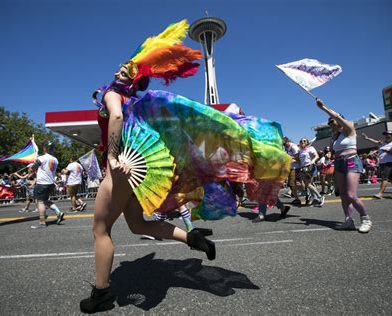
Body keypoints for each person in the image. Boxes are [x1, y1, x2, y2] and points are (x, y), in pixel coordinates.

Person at [80, 20, 291, 313]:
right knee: (138, 224)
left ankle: (101, 293)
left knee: (100, 230)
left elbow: (114, 118)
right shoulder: (134, 102)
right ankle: (191, 238)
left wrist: (113, 157)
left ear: (132, 78)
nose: (119, 70)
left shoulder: (113, 95)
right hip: (131, 169)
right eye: (120, 67)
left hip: (120, 170)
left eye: (126, 69)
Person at [316, 99, 372, 233]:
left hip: (351, 161)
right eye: (329, 122)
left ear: (340, 120)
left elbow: (337, 117)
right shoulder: (334, 137)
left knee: (351, 194)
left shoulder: (349, 129)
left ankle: (365, 218)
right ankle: (348, 220)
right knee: (343, 195)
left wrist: (323, 107)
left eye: (332, 121)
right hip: (339, 163)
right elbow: (332, 151)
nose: (330, 124)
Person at [30, 141, 64, 229]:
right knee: (45, 201)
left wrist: (33, 166)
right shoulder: (55, 160)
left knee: (40, 202)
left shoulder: (42, 158)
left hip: (42, 183)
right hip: (50, 183)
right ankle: (58, 213)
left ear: (44, 148)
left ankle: (42, 223)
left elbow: (32, 168)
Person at [362, 131, 392, 199]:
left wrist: (389, 152)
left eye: (388, 135)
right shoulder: (383, 143)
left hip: (390, 162)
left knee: (384, 177)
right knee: (391, 178)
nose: (386, 136)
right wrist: (367, 138)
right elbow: (375, 141)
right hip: (382, 162)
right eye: (385, 135)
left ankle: (380, 193)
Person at [297, 138, 324, 207]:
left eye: (304, 141)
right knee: (308, 184)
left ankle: (319, 197)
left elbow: (317, 156)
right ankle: (315, 199)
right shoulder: (300, 150)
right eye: (301, 141)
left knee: (308, 184)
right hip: (303, 168)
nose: (302, 142)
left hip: (310, 167)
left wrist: (313, 161)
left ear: (307, 143)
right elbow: (298, 159)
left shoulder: (310, 148)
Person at [283, 137, 301, 205]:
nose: (284, 145)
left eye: (284, 144)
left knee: (292, 183)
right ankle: (298, 197)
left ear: (287, 141)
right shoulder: (286, 147)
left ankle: (299, 197)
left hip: (295, 167)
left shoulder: (293, 147)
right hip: (290, 167)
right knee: (291, 184)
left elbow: (298, 157)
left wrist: (289, 158)